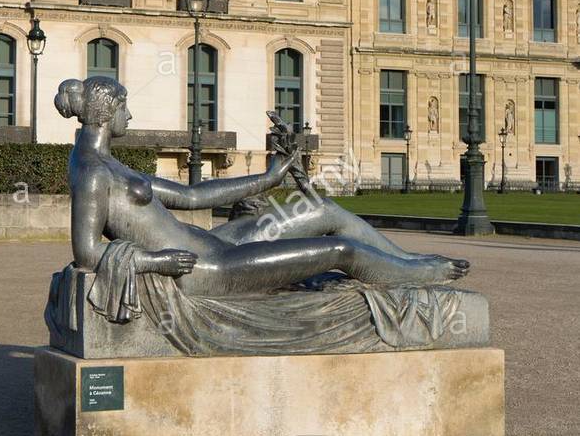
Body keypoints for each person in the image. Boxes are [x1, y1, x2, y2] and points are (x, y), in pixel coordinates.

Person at [54, 77, 469, 297]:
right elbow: (86, 253)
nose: (131, 113)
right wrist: (156, 262)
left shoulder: (107, 163)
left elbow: (193, 196)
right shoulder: (93, 173)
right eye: (125, 106)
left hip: (218, 242)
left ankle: (404, 261)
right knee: (340, 251)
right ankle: (419, 273)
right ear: (107, 112)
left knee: (321, 209)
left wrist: (270, 178)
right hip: (208, 271)